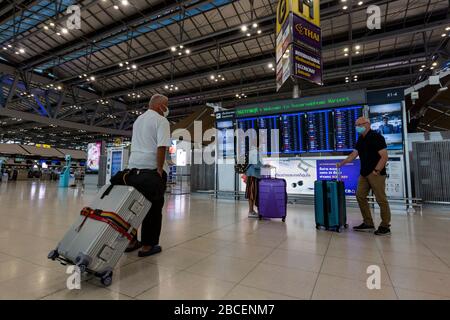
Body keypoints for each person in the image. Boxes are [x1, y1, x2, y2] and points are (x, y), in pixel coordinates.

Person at [124, 94, 171, 257]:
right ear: (159, 106)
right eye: (166, 105)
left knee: (133, 207)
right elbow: (161, 146)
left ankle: (131, 241)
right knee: (153, 208)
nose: (167, 109)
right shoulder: (161, 120)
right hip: (151, 169)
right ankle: (147, 246)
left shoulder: (138, 120)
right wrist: (159, 168)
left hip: (133, 169)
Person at [337, 116, 391, 236]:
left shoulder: (377, 137)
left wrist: (376, 171)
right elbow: (353, 154)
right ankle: (368, 223)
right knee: (360, 196)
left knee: (381, 199)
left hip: (376, 173)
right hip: (364, 173)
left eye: (359, 125)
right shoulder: (360, 139)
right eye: (356, 125)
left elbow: (384, 156)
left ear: (367, 124)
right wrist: (342, 163)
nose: (357, 127)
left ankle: (385, 226)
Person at [245, 147, 262, 218]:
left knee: (251, 193)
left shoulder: (251, 151)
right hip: (253, 175)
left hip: (251, 174)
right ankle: (251, 211)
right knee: (252, 193)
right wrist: (264, 166)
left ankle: (251, 211)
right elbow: (256, 165)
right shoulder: (255, 152)